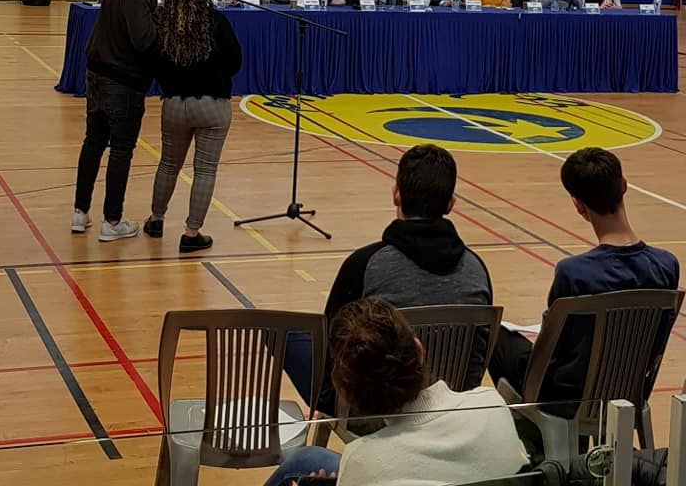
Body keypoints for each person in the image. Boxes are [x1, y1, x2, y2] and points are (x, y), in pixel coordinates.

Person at [284, 144, 493, 413]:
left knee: (287, 335)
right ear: (450, 204)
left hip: (371, 410)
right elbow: (479, 354)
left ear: (396, 195)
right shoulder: (477, 270)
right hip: (452, 405)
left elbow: (331, 345)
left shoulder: (364, 264)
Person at [488, 147, 680, 406]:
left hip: (568, 397)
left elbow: (553, 349)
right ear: (624, 186)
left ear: (578, 205)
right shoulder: (667, 265)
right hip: (631, 389)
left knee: (496, 336)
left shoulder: (573, 272)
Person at [265, 299, 528, 486]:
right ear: (419, 350)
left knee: (302, 461)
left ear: (346, 392)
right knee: (305, 458)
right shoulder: (492, 404)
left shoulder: (363, 460)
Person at [72, 0, 175, 242]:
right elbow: (144, 40)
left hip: (98, 70)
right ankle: (112, 220)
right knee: (120, 149)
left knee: (93, 141)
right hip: (120, 78)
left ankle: (80, 212)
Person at [143, 0, 242, 253]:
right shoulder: (216, 21)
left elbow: (154, 61)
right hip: (212, 104)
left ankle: (156, 219)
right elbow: (234, 62)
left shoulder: (164, 20)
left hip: (174, 103)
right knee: (205, 170)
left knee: (168, 164)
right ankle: (191, 232)